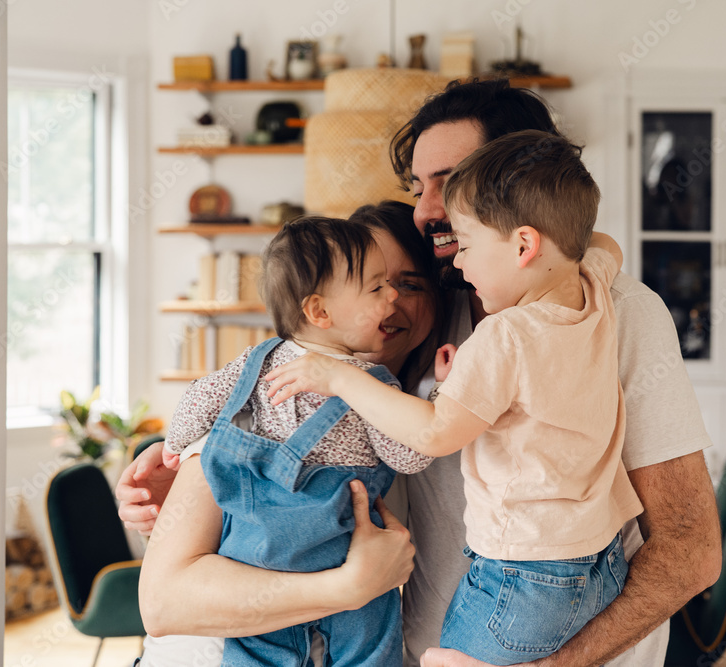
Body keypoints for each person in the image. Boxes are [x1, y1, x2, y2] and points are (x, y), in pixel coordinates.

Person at [122, 79, 722, 667]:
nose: (428, 209)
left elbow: (689, 548)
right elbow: (190, 570)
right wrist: (186, 463)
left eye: (451, 184)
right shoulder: (413, 323)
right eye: (417, 186)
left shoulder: (614, 312)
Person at [266, 129, 641, 666]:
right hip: (599, 561)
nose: (458, 266)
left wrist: (340, 378)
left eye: (465, 246)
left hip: (521, 571)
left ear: (523, 246)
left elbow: (434, 433)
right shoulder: (595, 290)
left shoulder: (503, 335)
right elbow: (605, 244)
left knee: (436, 660)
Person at [134, 203, 444, 667]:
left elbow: (196, 398)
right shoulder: (243, 403)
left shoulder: (391, 393)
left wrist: (174, 445)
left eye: (409, 285)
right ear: (319, 309)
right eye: (376, 286)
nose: (391, 300)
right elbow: (161, 604)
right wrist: (177, 453)